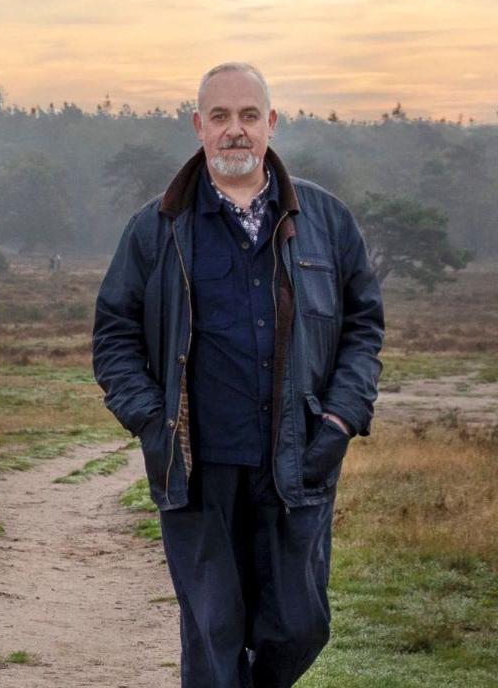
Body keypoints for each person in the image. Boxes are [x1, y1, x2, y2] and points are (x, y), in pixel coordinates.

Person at [92, 62, 383, 687]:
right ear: (198, 126)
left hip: (299, 460)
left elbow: (364, 326)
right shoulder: (156, 228)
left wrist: (341, 416)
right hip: (197, 470)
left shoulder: (326, 222)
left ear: (271, 124)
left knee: (301, 624)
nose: (235, 131)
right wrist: (151, 420)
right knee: (214, 631)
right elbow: (113, 334)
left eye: (249, 116)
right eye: (220, 117)